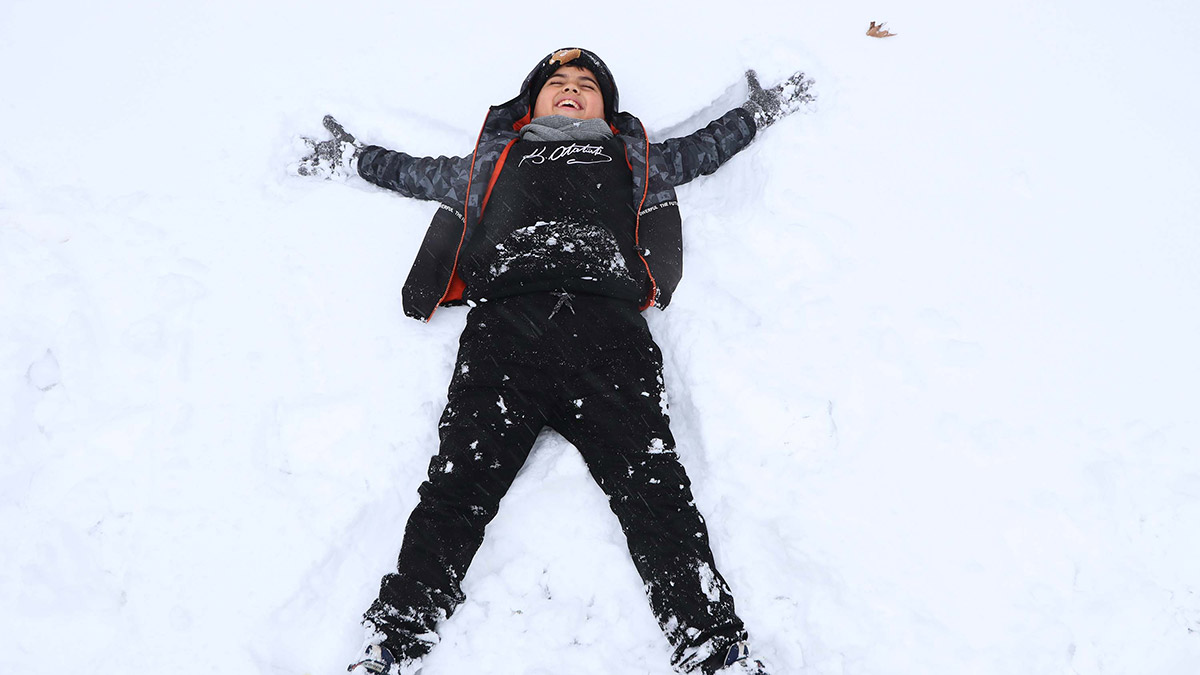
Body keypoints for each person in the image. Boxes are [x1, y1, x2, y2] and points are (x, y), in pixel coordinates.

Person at [297, 47, 813, 675]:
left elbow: (706, 148)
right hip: (504, 335)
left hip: (608, 337)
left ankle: (714, 650)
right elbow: (413, 173)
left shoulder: (630, 157)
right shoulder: (494, 162)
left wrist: (757, 114)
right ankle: (395, 645)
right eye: (558, 84)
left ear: (606, 104)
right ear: (532, 101)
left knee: (656, 494)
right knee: (456, 490)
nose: (572, 91)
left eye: (587, 85)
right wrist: (353, 158)